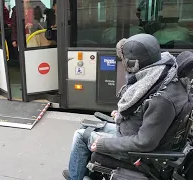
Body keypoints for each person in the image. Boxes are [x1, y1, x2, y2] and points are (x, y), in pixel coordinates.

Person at [62, 33, 190, 180]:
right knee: (85, 128)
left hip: (139, 152)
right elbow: (146, 113)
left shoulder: (162, 99)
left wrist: (104, 144)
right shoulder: (164, 74)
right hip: (133, 131)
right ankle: (79, 172)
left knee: (81, 136)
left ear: (133, 64)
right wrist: (123, 116)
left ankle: (75, 176)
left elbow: (145, 142)